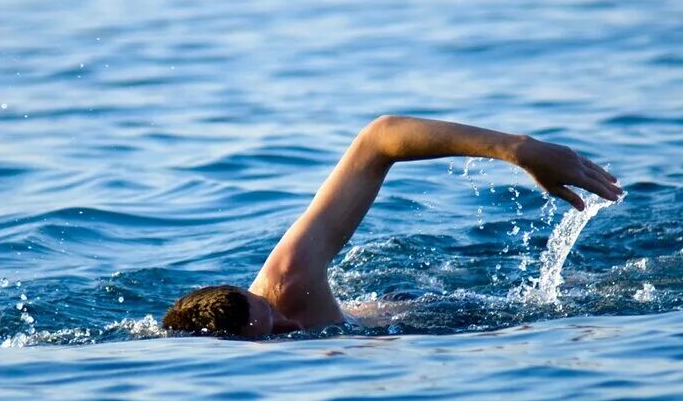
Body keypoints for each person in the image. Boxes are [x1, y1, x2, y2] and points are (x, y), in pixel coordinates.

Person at [162, 115, 622, 338]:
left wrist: (518, 149)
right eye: (274, 334)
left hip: (426, 307)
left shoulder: (289, 279)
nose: (290, 323)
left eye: (272, 312)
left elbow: (379, 138)